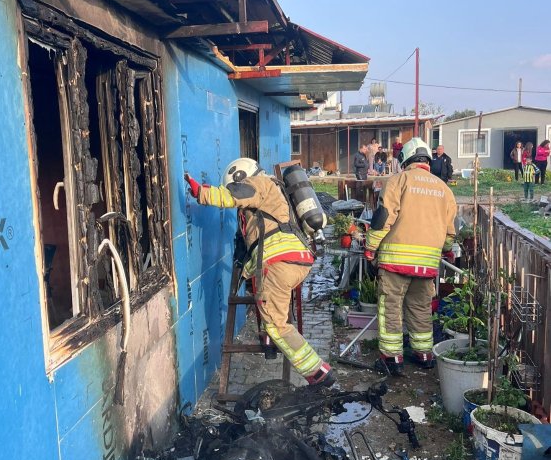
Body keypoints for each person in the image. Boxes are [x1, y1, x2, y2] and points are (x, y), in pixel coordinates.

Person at [184, 158, 335, 386]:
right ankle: (269, 342)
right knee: (267, 305)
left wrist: (201, 192)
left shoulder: (258, 184)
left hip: (278, 265)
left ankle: (319, 373)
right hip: (296, 260)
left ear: (241, 176)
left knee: (277, 325)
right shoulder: (275, 189)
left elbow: (231, 196)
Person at [364, 137, 457, 374]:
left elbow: (384, 218)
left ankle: (391, 359)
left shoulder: (398, 180)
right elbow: (449, 234)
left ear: (405, 159)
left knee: (390, 308)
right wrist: (446, 250)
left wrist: (370, 248)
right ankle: (424, 354)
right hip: (427, 265)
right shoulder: (444, 189)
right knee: (421, 308)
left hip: (395, 262)